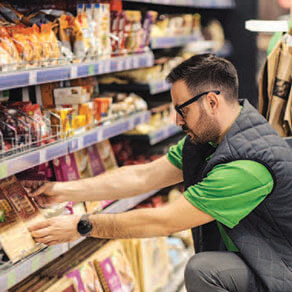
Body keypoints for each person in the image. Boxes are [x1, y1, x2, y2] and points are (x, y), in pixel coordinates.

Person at [23, 54, 292, 292]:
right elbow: (144, 176)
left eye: (182, 110)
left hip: (281, 272)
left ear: (211, 102)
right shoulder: (211, 141)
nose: (177, 120)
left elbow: (165, 220)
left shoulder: (246, 166)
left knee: (203, 269)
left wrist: (83, 225)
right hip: (258, 254)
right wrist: (62, 191)